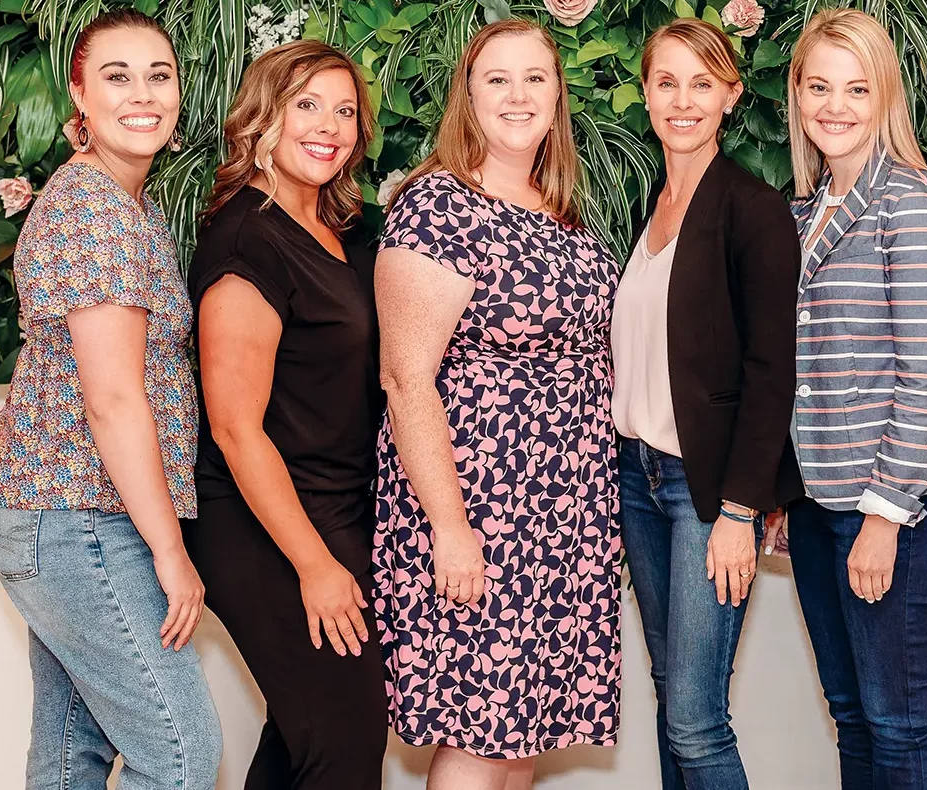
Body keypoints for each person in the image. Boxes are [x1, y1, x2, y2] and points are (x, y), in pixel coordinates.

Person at [0, 9, 222, 789]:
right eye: (117, 76)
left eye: (160, 75)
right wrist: (171, 553)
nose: (142, 94)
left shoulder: (123, 200)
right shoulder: (95, 211)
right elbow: (113, 401)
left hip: (58, 515)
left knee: (73, 755)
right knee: (181, 757)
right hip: (78, 521)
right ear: (78, 97)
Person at [373, 18, 620, 790]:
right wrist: (449, 527)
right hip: (481, 501)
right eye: (497, 80)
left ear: (557, 94)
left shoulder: (559, 207)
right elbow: (405, 378)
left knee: (523, 731)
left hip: (564, 507)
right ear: (468, 96)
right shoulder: (438, 207)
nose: (518, 96)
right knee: (480, 729)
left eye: (535, 78)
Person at [184, 40, 386, 789]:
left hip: (333, 508)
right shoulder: (248, 239)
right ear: (261, 118)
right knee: (346, 741)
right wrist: (314, 565)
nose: (328, 125)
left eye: (344, 111)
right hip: (258, 521)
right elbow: (236, 429)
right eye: (307, 104)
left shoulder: (342, 233)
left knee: (308, 734)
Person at [774, 9, 927, 790]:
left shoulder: (914, 201)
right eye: (819, 86)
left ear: (885, 94)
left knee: (896, 721)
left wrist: (884, 518)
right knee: (852, 712)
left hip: (898, 510)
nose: (836, 105)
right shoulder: (805, 209)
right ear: (797, 94)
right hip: (824, 503)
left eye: (857, 88)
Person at [614, 18, 803, 790]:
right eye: (667, 83)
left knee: (695, 718)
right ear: (647, 94)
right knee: (670, 700)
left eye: (702, 84)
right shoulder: (648, 207)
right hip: (636, 479)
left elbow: (771, 371)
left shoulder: (752, 210)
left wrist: (738, 511)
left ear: (731, 96)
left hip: (705, 493)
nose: (682, 101)